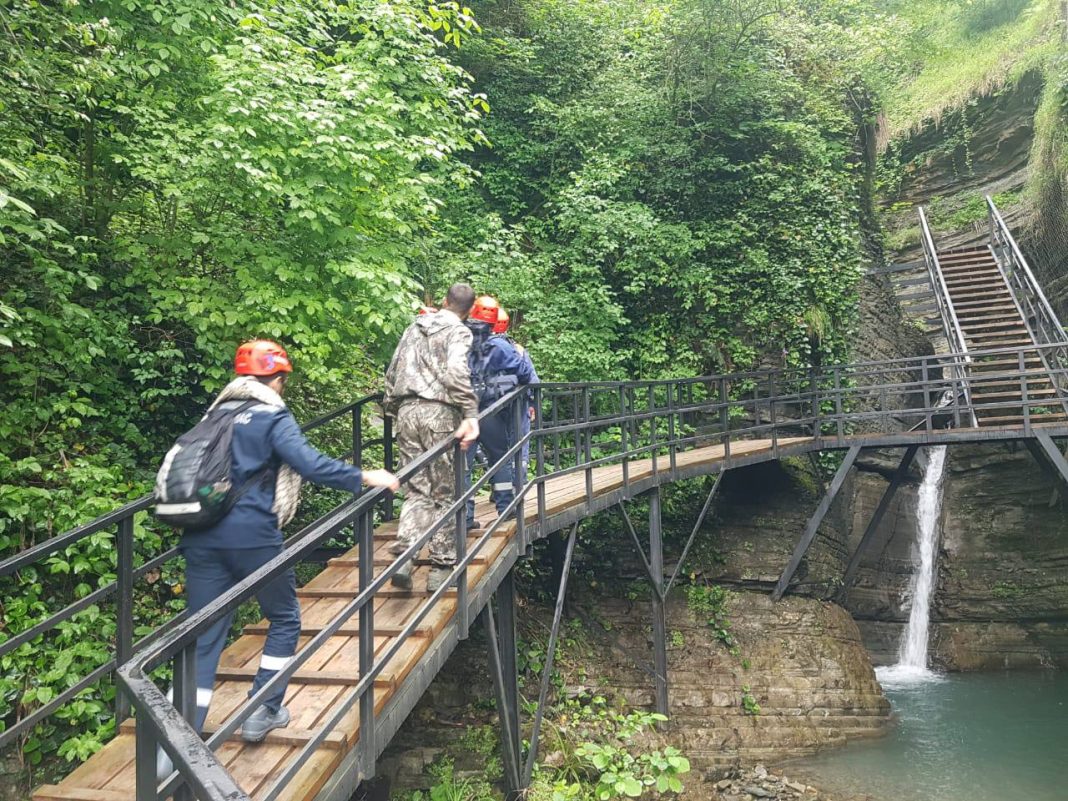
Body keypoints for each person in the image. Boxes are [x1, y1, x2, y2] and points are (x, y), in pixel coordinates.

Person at [166, 340, 399, 764]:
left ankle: (173, 749)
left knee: (202, 639)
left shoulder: (215, 413)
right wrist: (366, 475)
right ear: (277, 378)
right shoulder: (272, 414)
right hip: (253, 536)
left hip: (200, 536)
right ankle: (263, 710)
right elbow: (308, 463)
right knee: (286, 617)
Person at [383, 283, 481, 592]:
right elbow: (455, 372)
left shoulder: (415, 326)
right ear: (469, 311)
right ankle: (441, 565)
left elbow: (393, 369)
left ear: (443, 301)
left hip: (407, 412)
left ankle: (405, 556)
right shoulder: (460, 331)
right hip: (439, 414)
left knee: (416, 489)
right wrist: (470, 412)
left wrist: (392, 408)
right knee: (444, 490)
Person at [466, 297, 536, 525]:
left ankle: (465, 518)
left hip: (464, 410)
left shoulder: (458, 338)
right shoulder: (501, 345)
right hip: (490, 411)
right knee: (501, 459)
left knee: (463, 465)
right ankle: (506, 510)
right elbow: (526, 374)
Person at [493, 308, 540, 473]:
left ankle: (499, 488)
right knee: (519, 443)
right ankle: (519, 483)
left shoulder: (482, 348)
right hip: (519, 403)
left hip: (493, 405)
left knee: (497, 448)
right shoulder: (517, 349)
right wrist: (533, 404)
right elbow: (533, 379)